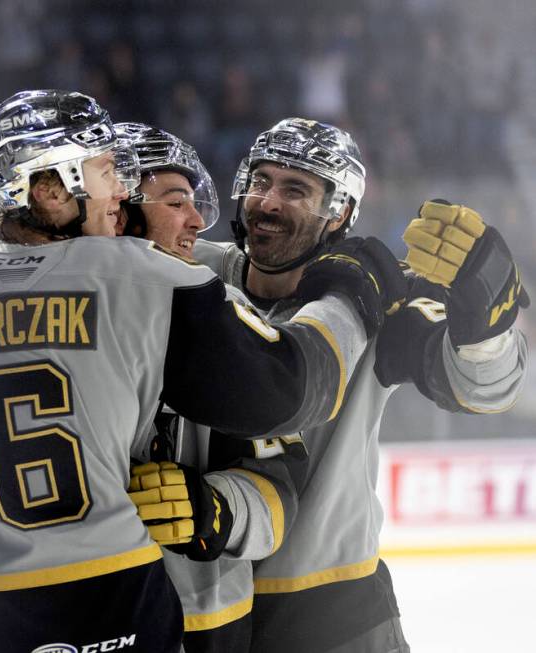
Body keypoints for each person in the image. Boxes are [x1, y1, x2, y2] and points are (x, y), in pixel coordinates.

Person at [0, 91, 403, 652]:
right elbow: (288, 389)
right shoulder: (148, 281)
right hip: (117, 612)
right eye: (107, 171)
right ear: (51, 188)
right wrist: (347, 294)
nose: (122, 191)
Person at [180, 117, 527, 652]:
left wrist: (488, 329)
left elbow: (485, 388)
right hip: (199, 605)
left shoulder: (380, 298)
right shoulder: (192, 274)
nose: (268, 202)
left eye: (295, 189)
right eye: (261, 181)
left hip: (333, 613)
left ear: (339, 211)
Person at [113, 122, 309, 652]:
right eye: (177, 202)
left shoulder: (223, 312)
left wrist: (213, 510)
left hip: (205, 624)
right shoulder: (48, 322)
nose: (199, 221)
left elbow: (281, 486)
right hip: (83, 623)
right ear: (118, 209)